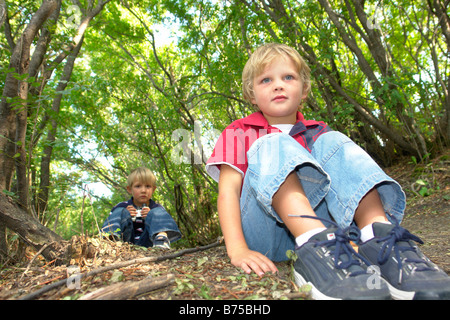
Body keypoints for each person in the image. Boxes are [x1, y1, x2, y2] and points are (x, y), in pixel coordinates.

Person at [205, 43, 450, 300]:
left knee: (334, 142)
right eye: (266, 80)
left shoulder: (318, 132)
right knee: (271, 144)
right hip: (266, 232)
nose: (278, 85)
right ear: (251, 94)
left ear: (304, 89)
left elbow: (342, 188)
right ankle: (312, 246)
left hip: (330, 231)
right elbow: (228, 192)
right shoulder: (239, 131)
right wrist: (237, 249)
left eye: (288, 77)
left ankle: (378, 240)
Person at [101, 167, 181, 249]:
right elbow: (112, 219)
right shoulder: (122, 206)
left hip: (148, 244)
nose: (143, 190)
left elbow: (163, 222)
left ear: (153, 189)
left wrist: (150, 216)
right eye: (138, 186)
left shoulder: (156, 208)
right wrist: (126, 216)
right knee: (119, 211)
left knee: (157, 212)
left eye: (148, 186)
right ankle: (109, 240)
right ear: (129, 189)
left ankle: (161, 241)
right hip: (124, 244)